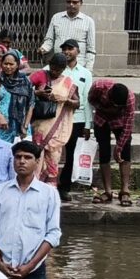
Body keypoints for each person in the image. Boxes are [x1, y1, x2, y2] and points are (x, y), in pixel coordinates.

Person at [0, 141, 61, 279]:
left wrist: (30, 265)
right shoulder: (0, 191)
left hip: (34, 266)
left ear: (37, 162)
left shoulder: (49, 194)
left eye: (27, 157)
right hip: (2, 264)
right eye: (18, 157)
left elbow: (53, 234)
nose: (22, 161)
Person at [29, 52, 79, 186]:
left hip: (56, 130)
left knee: (53, 163)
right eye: (52, 68)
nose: (54, 72)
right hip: (39, 127)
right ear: (49, 65)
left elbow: (77, 103)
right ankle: (33, 191)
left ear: (64, 69)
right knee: (35, 161)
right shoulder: (40, 75)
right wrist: (38, 93)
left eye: (58, 70)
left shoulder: (68, 82)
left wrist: (64, 100)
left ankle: (50, 193)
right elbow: (24, 89)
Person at [54, 39, 93, 201]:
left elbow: (87, 100)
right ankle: (49, 183)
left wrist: (88, 124)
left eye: (70, 49)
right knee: (53, 152)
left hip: (77, 118)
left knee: (71, 154)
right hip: (55, 117)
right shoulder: (55, 69)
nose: (67, 52)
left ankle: (64, 187)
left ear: (78, 51)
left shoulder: (85, 74)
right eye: (64, 49)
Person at [87, 79, 135, 206]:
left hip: (120, 121)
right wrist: (103, 108)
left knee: (125, 152)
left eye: (118, 106)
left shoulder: (130, 99)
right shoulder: (98, 87)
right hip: (101, 119)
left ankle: (125, 191)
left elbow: (128, 125)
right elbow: (91, 99)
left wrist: (119, 147)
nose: (115, 107)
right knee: (104, 152)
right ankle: (107, 191)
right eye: (114, 104)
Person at [39, 0, 96, 71]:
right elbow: (49, 40)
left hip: (78, 66)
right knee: (41, 76)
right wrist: (43, 49)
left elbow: (91, 49)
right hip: (57, 64)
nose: (71, 5)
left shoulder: (88, 21)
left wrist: (88, 70)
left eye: (75, 2)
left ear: (81, 3)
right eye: (69, 2)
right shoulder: (56, 17)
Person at [0, 50, 34, 143]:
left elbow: (30, 104)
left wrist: (25, 126)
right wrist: (0, 117)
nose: (8, 67)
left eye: (11, 64)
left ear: (17, 64)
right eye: (5, 63)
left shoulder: (25, 80)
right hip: (2, 125)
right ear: (1, 64)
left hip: (22, 127)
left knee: (21, 154)